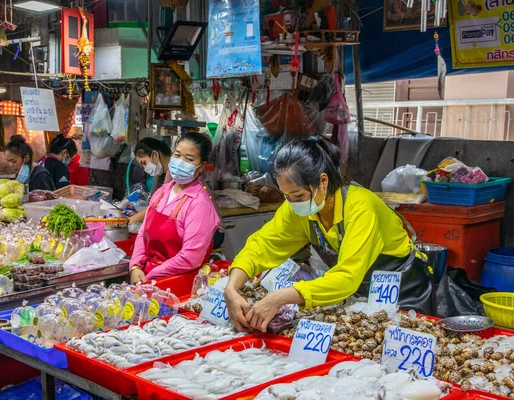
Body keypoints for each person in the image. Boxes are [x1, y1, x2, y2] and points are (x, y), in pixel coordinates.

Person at [224, 136, 433, 332]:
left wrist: (280, 297)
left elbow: (347, 277)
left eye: (298, 195)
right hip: (358, 294)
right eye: (286, 195)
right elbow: (262, 246)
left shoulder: (361, 207)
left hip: (404, 293)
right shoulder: (298, 209)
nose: (292, 203)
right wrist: (232, 288)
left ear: (322, 181)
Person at [129, 132, 220, 283]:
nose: (180, 162)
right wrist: (135, 266)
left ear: (202, 166)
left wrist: (152, 274)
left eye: (189, 159)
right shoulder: (162, 192)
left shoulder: (200, 204)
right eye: (177, 155)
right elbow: (142, 233)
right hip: (147, 277)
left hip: (176, 282)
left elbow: (190, 258)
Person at [128, 137, 173, 224]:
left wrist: (129, 221)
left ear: (155, 155)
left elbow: (157, 206)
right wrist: (137, 215)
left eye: (144, 163)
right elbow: (153, 205)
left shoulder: (174, 174)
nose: (145, 169)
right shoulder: (162, 174)